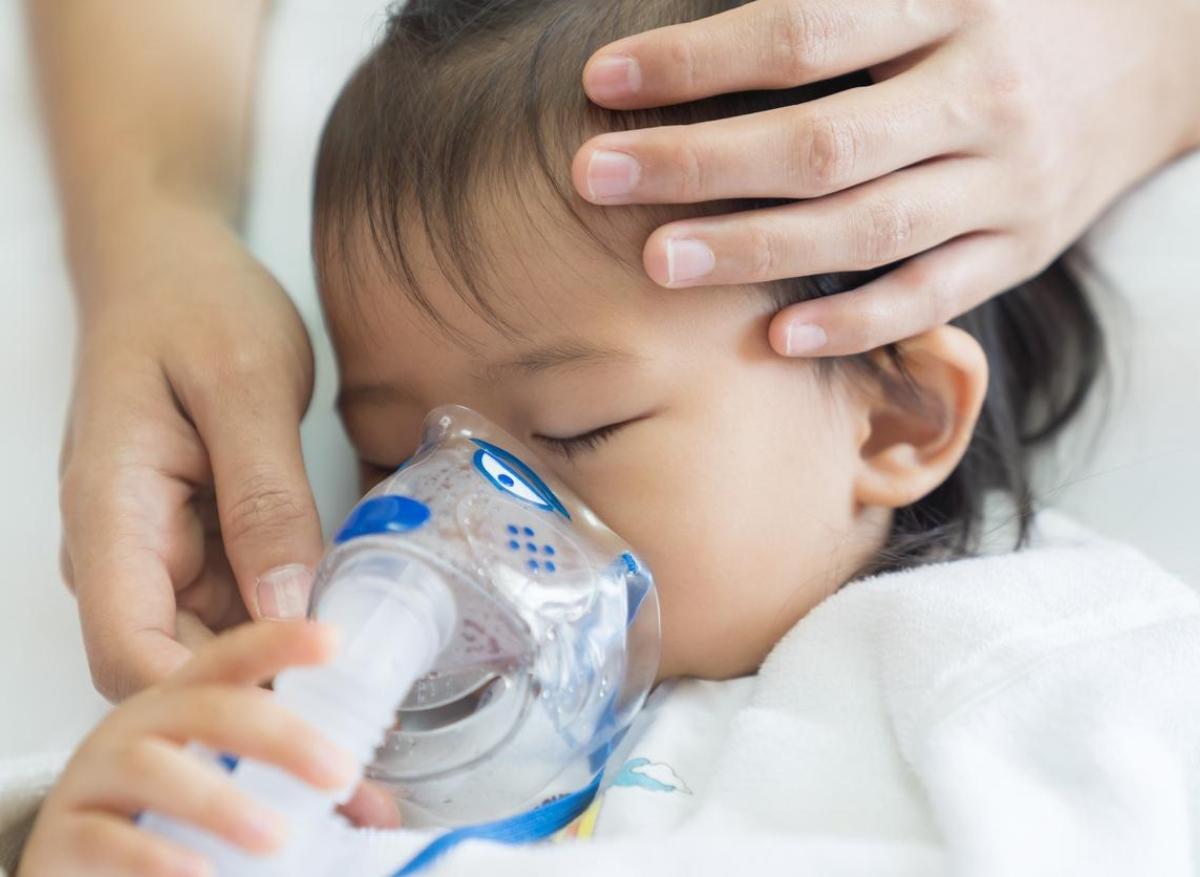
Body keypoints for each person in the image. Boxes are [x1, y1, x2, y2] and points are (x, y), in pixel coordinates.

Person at [13, 2, 1200, 874]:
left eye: (578, 430)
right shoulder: (356, 742)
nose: (455, 518)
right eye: (384, 452)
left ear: (900, 416)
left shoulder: (1024, 664)